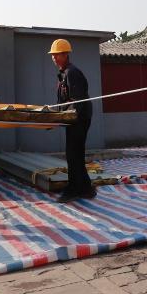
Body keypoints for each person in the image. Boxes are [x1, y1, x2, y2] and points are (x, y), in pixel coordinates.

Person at [49, 38, 96, 203]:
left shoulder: (72, 73)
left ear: (66, 54)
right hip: (73, 119)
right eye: (53, 55)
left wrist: (64, 118)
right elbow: (63, 102)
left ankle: (73, 189)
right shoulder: (63, 74)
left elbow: (77, 103)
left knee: (73, 155)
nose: (54, 58)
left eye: (57, 55)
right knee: (75, 154)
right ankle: (86, 188)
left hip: (79, 119)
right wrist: (53, 116)